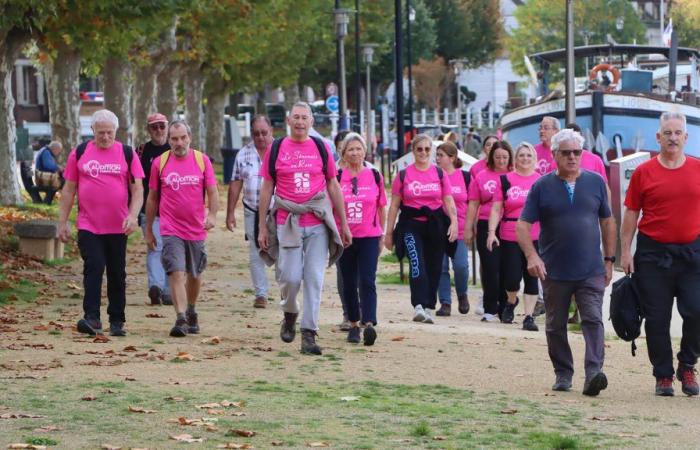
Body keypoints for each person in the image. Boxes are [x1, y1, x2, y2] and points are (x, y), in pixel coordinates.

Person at [517, 128, 616, 396]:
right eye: (566, 153)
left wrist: (609, 259)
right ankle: (563, 372)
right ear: (555, 155)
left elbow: (607, 221)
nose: (572, 157)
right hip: (554, 270)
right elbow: (523, 224)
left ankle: (594, 373)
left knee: (593, 319)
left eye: (577, 152)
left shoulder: (595, 182)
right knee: (555, 323)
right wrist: (532, 255)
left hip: (590, 269)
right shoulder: (541, 186)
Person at [258, 102, 352, 356]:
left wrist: (343, 223)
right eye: (296, 117)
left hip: (317, 221)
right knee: (289, 277)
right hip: (287, 221)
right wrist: (261, 227)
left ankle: (309, 333)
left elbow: (333, 185)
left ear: (311, 122)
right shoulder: (277, 148)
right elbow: (267, 187)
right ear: (288, 121)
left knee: (314, 279)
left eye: (304, 118)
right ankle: (290, 314)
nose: (300, 122)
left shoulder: (321, 148)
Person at [621, 112, 700, 397]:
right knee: (656, 319)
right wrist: (626, 251)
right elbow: (631, 212)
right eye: (667, 133)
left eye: (678, 133)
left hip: (693, 253)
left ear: (686, 137)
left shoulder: (698, 168)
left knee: (697, 310)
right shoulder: (644, 172)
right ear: (658, 137)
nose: (672, 137)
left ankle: (687, 363)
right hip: (653, 254)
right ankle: (663, 374)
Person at [58, 109, 144, 337]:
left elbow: (138, 190)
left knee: (117, 273)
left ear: (116, 131)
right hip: (89, 225)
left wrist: (133, 216)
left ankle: (117, 320)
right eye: (100, 133)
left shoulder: (127, 153)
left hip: (118, 226)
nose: (105, 137)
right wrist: (62, 222)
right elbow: (68, 190)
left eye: (109, 132)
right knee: (94, 267)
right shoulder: (80, 152)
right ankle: (92, 318)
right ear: (92, 131)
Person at [145, 120, 219, 337]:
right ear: (169, 140)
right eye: (174, 139)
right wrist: (149, 229)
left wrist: (213, 215)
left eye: (182, 138)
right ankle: (180, 317)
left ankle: (192, 309)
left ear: (190, 138)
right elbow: (152, 198)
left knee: (194, 274)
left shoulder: (201, 160)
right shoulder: (160, 163)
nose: (179, 143)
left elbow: (213, 192)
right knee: (176, 271)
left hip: (196, 228)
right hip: (170, 228)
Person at [385, 134, 458, 324]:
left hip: (435, 225)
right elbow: (394, 205)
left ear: (431, 151)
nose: (424, 153)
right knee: (417, 263)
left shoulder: (439, 173)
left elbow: (448, 200)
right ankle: (418, 304)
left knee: (434, 266)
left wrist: (454, 222)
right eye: (419, 149)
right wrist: (389, 232)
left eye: (427, 149)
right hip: (411, 224)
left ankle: (427, 305)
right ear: (413, 151)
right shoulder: (403, 175)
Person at [336, 133, 386, 345]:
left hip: (369, 236)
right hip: (345, 237)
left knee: (367, 280)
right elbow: (331, 208)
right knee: (348, 282)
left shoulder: (374, 175)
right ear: (344, 154)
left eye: (358, 148)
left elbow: (381, 206)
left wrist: (382, 234)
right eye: (350, 149)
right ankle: (354, 323)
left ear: (364, 151)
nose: (355, 153)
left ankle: (369, 324)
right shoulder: (337, 177)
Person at [487, 142, 540, 330]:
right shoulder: (505, 180)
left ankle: (528, 317)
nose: (525, 159)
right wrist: (491, 233)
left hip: (535, 234)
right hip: (510, 234)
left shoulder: (540, 181)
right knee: (512, 278)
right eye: (521, 155)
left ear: (534, 159)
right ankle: (510, 302)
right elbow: (495, 209)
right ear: (515, 159)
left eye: (528, 155)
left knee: (532, 276)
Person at [226, 116, 274, 309]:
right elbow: (236, 182)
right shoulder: (243, 154)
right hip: (252, 209)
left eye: (264, 132)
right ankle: (261, 294)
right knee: (256, 252)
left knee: (282, 251)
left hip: (278, 210)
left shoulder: (281, 151)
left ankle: (287, 293)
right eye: (256, 133)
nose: (260, 137)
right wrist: (230, 212)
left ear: (271, 130)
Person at [465, 140, 512, 323]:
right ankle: (490, 308)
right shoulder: (482, 176)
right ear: (491, 157)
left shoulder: (514, 175)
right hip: (485, 224)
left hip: (509, 225)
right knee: (491, 267)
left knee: (507, 268)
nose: (501, 161)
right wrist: (469, 228)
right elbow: (473, 204)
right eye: (498, 157)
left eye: (505, 157)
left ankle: (505, 306)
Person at [137, 113, 172, 306]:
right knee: (155, 248)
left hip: (174, 212)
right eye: (154, 127)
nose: (158, 130)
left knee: (172, 250)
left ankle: (168, 290)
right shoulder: (141, 151)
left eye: (161, 126)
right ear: (148, 130)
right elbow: (133, 182)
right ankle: (156, 287)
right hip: (149, 210)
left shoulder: (176, 148)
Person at [435, 141, 470, 316]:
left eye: (441, 155)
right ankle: (445, 302)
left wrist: (472, 226)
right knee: (441, 267)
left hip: (461, 229)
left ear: (452, 157)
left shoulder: (464, 177)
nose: (438, 158)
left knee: (461, 265)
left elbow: (473, 204)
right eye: (437, 155)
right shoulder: (434, 175)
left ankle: (462, 294)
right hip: (438, 228)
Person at [333, 130, 352, 330]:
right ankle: (348, 313)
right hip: (339, 230)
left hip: (365, 231)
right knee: (343, 273)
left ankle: (363, 311)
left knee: (364, 275)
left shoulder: (370, 170)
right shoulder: (332, 172)